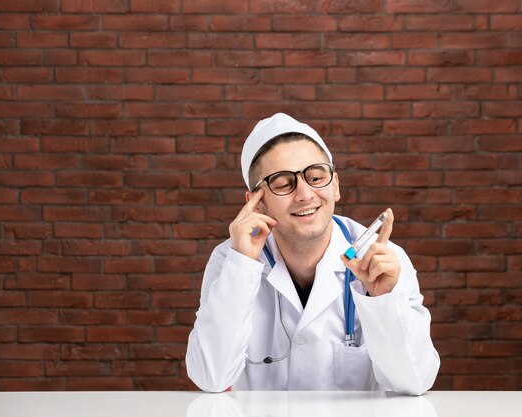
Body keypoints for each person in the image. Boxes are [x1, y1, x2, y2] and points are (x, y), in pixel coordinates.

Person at [186, 113, 440, 394]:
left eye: (316, 177)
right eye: (283, 183)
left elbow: (415, 382)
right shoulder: (231, 260)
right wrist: (241, 267)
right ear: (256, 204)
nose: (305, 194)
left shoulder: (383, 259)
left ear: (335, 185)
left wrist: (383, 301)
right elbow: (211, 378)